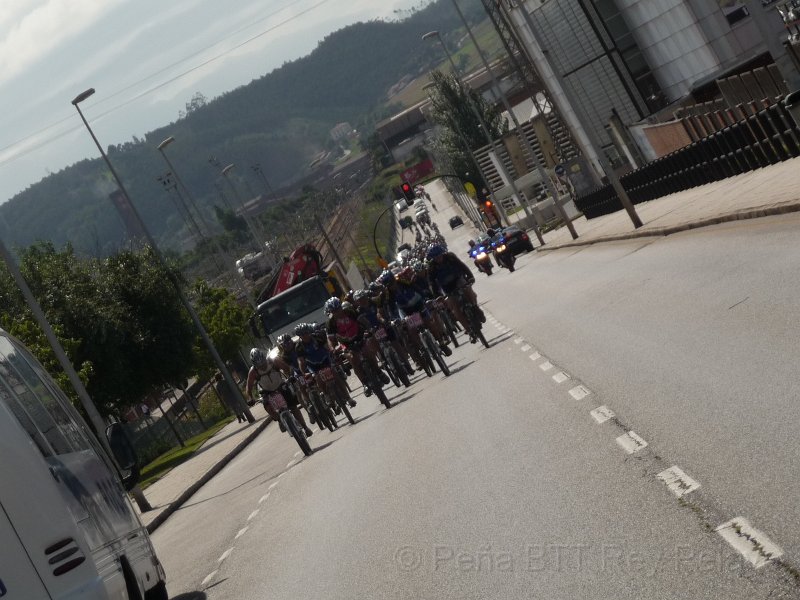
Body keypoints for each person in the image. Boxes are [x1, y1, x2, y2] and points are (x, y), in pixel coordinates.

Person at [324, 297, 389, 397]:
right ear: (331, 312)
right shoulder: (330, 323)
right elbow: (330, 340)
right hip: (345, 343)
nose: (337, 312)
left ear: (341, 307)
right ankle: (365, 384)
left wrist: (370, 329)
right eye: (334, 311)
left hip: (359, 336)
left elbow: (363, 321)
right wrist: (332, 349)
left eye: (338, 309)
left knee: (368, 352)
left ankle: (379, 372)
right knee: (353, 359)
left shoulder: (350, 312)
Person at [245, 347, 313, 436]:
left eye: (263, 363)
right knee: (267, 406)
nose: (262, 366)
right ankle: (280, 420)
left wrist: (290, 377)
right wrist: (250, 398)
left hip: (281, 385)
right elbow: (248, 387)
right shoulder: (253, 372)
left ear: (264, 358)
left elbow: (287, 368)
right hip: (266, 391)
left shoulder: (273, 361)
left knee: (293, 407)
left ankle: (305, 427)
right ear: (254, 364)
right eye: (259, 365)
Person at [426, 244, 485, 339]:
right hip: (447, 288)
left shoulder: (450, 257)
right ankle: (470, 331)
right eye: (435, 257)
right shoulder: (431, 268)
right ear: (432, 258)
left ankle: (475, 307)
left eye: (439, 256)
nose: (438, 259)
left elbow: (462, 266)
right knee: (455, 309)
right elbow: (432, 284)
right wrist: (437, 296)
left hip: (458, 279)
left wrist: (470, 277)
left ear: (442, 253)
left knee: (468, 290)